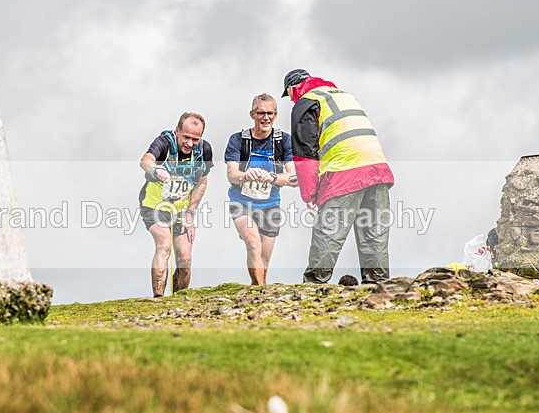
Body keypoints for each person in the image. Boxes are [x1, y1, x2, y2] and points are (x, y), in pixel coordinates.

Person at [282, 68, 395, 284]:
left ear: (291, 89)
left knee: (329, 230)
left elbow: (305, 154)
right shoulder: (344, 95)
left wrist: (309, 194)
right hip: (377, 168)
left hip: (345, 169)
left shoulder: (306, 101)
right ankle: (378, 286)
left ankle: (314, 284)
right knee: (374, 232)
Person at [139, 112, 214, 297]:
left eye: (195, 139)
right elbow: (145, 161)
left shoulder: (204, 151)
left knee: (185, 257)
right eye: (186, 137)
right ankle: (158, 299)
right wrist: (157, 170)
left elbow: (202, 182)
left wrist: (191, 213)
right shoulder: (164, 142)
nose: (190, 143)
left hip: (182, 209)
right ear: (177, 131)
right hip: (154, 204)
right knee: (164, 244)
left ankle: (179, 301)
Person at [225, 93, 297, 286]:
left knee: (264, 259)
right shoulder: (238, 140)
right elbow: (231, 174)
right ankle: (259, 292)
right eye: (261, 113)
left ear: (276, 115)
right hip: (241, 202)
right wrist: (245, 175)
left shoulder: (283, 141)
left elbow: (294, 177)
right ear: (252, 114)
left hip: (270, 204)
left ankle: (258, 290)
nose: (266, 118)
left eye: (270, 114)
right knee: (253, 243)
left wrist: (273, 177)